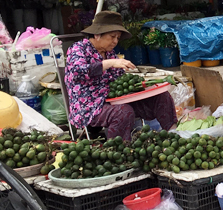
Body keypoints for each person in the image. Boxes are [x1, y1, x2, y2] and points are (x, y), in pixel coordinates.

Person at [65, 11, 177, 140]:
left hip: (115, 100)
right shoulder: (78, 49)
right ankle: (119, 151)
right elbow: (78, 71)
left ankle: (173, 135)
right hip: (90, 106)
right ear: (97, 35)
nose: (115, 41)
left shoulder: (110, 53)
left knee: (162, 97)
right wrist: (110, 63)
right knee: (123, 112)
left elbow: (119, 81)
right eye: (112, 36)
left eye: (117, 38)